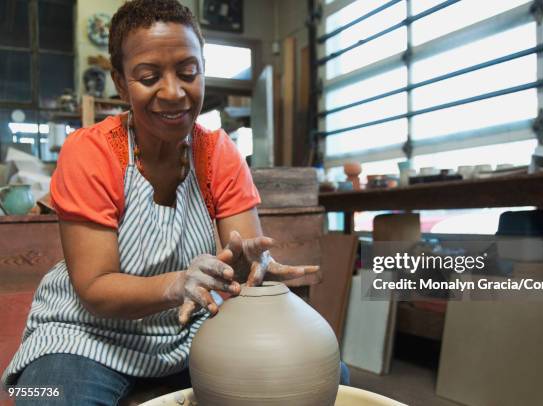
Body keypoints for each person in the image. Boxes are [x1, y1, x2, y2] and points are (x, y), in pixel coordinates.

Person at [2, 1, 347, 404]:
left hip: (191, 328)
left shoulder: (219, 153)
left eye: (188, 73)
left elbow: (241, 263)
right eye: (149, 77)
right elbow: (96, 287)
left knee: (327, 374)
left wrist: (253, 264)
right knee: (43, 395)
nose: (173, 92)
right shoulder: (91, 151)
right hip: (87, 332)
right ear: (120, 82)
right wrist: (177, 282)